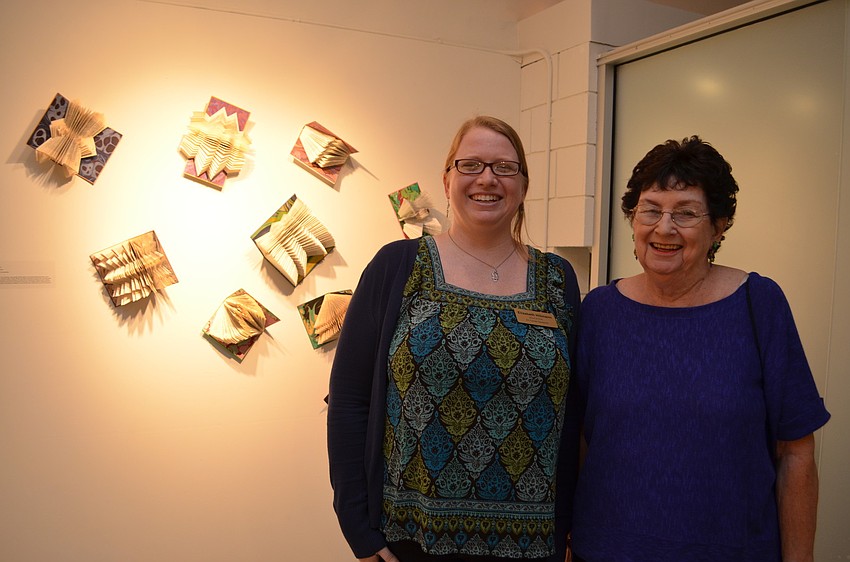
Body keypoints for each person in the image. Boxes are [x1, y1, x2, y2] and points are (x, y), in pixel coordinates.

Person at [327, 116, 582, 562]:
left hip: (532, 546)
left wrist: (570, 529)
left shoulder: (558, 280)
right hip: (412, 540)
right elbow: (349, 400)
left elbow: (574, 411)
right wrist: (358, 530)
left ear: (523, 186)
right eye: (471, 165)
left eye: (505, 167)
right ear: (447, 180)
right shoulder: (397, 266)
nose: (487, 178)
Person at [571, 136, 831, 562]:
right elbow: (580, 440)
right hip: (606, 550)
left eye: (686, 213)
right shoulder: (599, 310)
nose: (664, 228)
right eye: (650, 209)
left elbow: (796, 452)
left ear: (719, 226)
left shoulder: (758, 304)